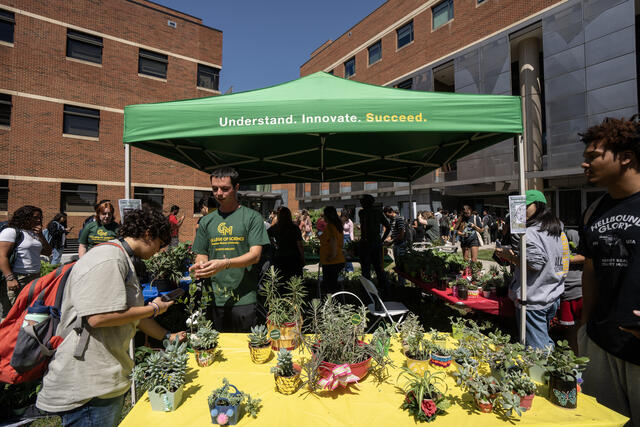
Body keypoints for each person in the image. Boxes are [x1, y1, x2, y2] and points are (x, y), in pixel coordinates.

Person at [35, 207, 187, 426]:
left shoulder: (120, 257)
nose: (160, 251)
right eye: (161, 244)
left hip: (102, 381)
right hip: (90, 386)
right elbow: (98, 317)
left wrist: (167, 336)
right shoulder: (109, 258)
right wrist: (154, 308)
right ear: (147, 234)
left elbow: (128, 314)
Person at [576, 116, 640, 424]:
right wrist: (585, 324)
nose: (585, 164)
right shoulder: (594, 209)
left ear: (626, 156)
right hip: (602, 343)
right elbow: (591, 267)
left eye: (593, 157)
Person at [190, 167, 270, 332]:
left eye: (225, 189)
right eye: (215, 189)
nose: (219, 193)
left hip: (244, 298)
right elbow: (201, 254)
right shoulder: (206, 221)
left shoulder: (252, 217)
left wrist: (225, 263)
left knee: (244, 349)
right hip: (214, 298)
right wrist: (201, 265)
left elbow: (255, 256)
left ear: (237, 187)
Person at [495, 190, 569, 350]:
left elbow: (534, 264)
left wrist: (510, 256)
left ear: (538, 206)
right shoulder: (556, 228)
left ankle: (550, 374)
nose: (520, 210)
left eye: (525, 206)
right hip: (552, 293)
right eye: (517, 206)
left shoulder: (529, 233)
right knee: (543, 340)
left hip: (534, 298)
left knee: (539, 351)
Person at [0, 205, 52, 319]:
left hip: (34, 277)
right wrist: (10, 278)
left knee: (27, 311)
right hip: (17, 278)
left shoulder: (34, 233)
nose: (39, 220)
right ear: (24, 217)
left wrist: (41, 235)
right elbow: (1, 256)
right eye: (35, 217)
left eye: (40, 217)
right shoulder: (11, 231)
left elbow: (48, 252)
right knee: (11, 313)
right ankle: (6, 336)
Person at [557, 228, 583, 355]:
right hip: (565, 291)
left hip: (579, 289)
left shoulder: (571, 233)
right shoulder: (550, 236)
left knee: (583, 328)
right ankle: (574, 359)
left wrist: (565, 259)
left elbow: (586, 256)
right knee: (570, 330)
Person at [358, 195, 390, 296]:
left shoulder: (362, 212)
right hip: (374, 243)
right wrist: (381, 239)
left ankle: (369, 292)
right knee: (378, 268)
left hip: (367, 243)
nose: (361, 203)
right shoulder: (376, 212)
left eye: (362, 201)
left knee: (367, 269)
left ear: (366, 202)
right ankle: (383, 290)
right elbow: (388, 227)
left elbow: (388, 227)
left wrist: (381, 239)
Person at [267, 207, 304, 282]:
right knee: (295, 282)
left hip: (280, 257)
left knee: (282, 281)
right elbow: (299, 245)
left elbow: (265, 235)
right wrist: (303, 258)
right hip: (294, 257)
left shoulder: (275, 228)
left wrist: (274, 243)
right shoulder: (294, 228)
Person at [318, 206, 345, 295]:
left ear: (328, 215)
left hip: (332, 262)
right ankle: (334, 305)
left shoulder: (330, 226)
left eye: (324, 215)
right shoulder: (337, 226)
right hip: (337, 260)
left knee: (329, 288)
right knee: (332, 287)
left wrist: (332, 256)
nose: (323, 217)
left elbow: (333, 241)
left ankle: (331, 306)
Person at [383, 206, 407, 285]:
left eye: (387, 215)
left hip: (401, 244)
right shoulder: (392, 220)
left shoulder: (399, 219)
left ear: (390, 212)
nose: (387, 217)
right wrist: (387, 239)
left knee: (401, 265)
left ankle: (402, 283)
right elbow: (394, 234)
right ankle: (401, 282)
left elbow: (401, 234)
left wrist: (391, 241)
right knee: (398, 264)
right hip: (396, 244)